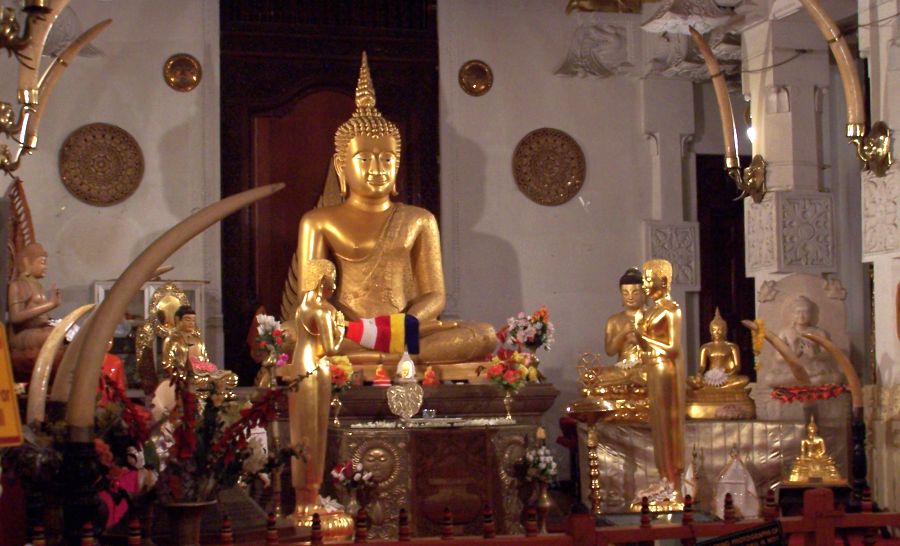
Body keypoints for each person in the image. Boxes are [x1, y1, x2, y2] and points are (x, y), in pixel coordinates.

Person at [292, 52, 495, 366]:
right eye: (364, 159)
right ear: (340, 166)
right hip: (351, 332)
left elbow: (435, 295)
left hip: (406, 331)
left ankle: (377, 356)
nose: (377, 168)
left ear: (398, 165)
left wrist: (405, 325)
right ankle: (385, 356)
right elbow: (310, 298)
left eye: (387, 159)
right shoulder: (319, 221)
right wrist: (330, 317)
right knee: (291, 334)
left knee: (483, 335)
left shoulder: (418, 219)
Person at [288, 258, 346, 522]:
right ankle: (309, 502)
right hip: (315, 367)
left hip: (299, 366)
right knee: (313, 433)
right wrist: (341, 328)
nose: (336, 283)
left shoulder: (301, 308)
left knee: (302, 432)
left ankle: (306, 500)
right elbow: (331, 348)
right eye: (333, 277)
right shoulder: (321, 311)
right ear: (324, 279)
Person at [637, 259, 685, 494]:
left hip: (665, 368)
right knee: (656, 425)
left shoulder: (671, 309)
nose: (644, 285)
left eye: (648, 279)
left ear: (662, 281)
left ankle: (673, 482)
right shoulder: (652, 309)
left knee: (666, 424)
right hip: (652, 368)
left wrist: (644, 338)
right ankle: (663, 477)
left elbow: (673, 348)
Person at [775, 296, 842, 384]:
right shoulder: (784, 333)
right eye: (798, 312)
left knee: (837, 378)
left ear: (811, 315)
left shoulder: (819, 333)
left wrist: (814, 355)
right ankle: (807, 380)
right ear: (792, 315)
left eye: (805, 312)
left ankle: (806, 380)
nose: (801, 316)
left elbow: (828, 354)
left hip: (815, 369)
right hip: (793, 370)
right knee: (769, 379)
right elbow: (778, 358)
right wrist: (793, 355)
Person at [8, 243, 60, 353]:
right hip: (22, 333)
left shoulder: (38, 287)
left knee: (64, 332)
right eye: (42, 263)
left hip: (39, 330)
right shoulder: (17, 285)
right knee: (50, 337)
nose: (45, 267)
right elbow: (15, 317)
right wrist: (50, 304)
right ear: (27, 262)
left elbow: (42, 317)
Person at [688, 308, 749, 391]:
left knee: (744, 380)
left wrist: (727, 375)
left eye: (719, 330)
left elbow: (737, 367)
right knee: (690, 380)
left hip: (727, 377)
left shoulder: (732, 346)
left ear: (725, 331)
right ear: (710, 331)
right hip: (710, 377)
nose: (716, 332)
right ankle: (720, 389)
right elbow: (702, 366)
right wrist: (699, 374)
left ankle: (713, 389)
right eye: (714, 330)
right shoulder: (705, 347)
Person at [604, 267, 644, 366]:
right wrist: (623, 333)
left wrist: (639, 337)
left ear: (645, 294)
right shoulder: (613, 320)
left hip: (646, 368)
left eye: (635, 293)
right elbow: (610, 351)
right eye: (625, 293)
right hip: (622, 368)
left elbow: (659, 350)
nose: (630, 297)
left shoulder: (652, 316)